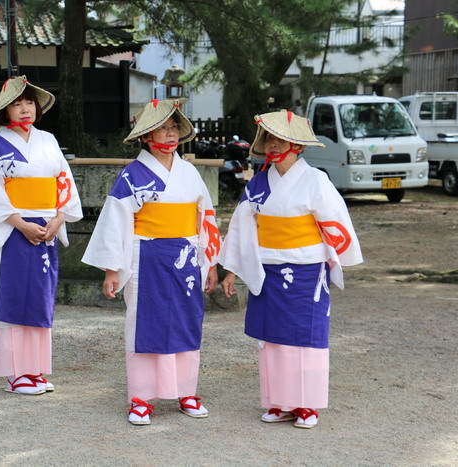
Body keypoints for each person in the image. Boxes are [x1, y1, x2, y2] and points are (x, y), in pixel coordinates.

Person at [218, 110, 363, 429]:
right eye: (268, 138)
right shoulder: (257, 183)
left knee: (305, 338)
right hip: (267, 267)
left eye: (279, 139)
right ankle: (278, 402)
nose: (272, 145)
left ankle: (307, 405)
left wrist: (339, 258)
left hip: (307, 268)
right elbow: (241, 228)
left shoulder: (315, 180)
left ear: (297, 145)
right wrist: (231, 271)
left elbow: (334, 222)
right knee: (272, 339)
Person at [82, 99, 221, 425]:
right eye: (163, 128)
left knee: (187, 321)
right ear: (146, 136)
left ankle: (187, 391)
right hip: (145, 257)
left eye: (174, 127)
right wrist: (112, 269)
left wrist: (211, 262)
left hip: (186, 256)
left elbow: (206, 218)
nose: (170, 134)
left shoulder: (189, 173)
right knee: (144, 323)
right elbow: (115, 222)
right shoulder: (133, 175)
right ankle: (141, 398)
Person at [0, 76, 82, 395]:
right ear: (5, 111)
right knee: (14, 298)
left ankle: (35, 370)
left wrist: (59, 219)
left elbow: (64, 182)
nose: (25, 109)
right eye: (17, 104)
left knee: (40, 297)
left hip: (47, 228)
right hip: (15, 229)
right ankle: (14, 373)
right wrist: (20, 223)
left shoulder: (48, 140)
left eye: (29, 103)